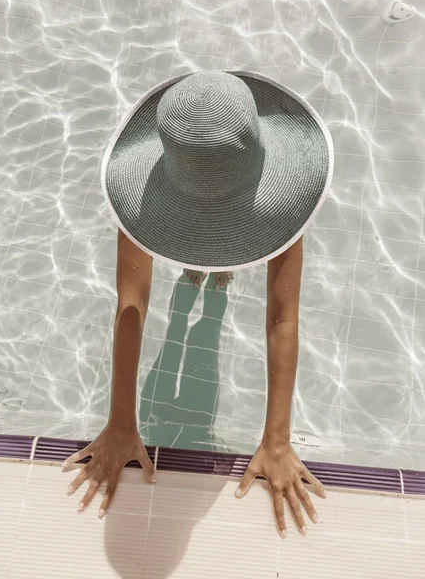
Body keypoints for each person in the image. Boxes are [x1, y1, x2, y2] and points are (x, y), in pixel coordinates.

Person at [63, 70, 334, 538]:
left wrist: (277, 440)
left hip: (207, 197)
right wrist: (121, 422)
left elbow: (280, 317)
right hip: (218, 197)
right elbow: (134, 305)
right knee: (204, 308)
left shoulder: (273, 204)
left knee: (204, 303)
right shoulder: (271, 202)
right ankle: (208, 259)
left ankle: (209, 259)